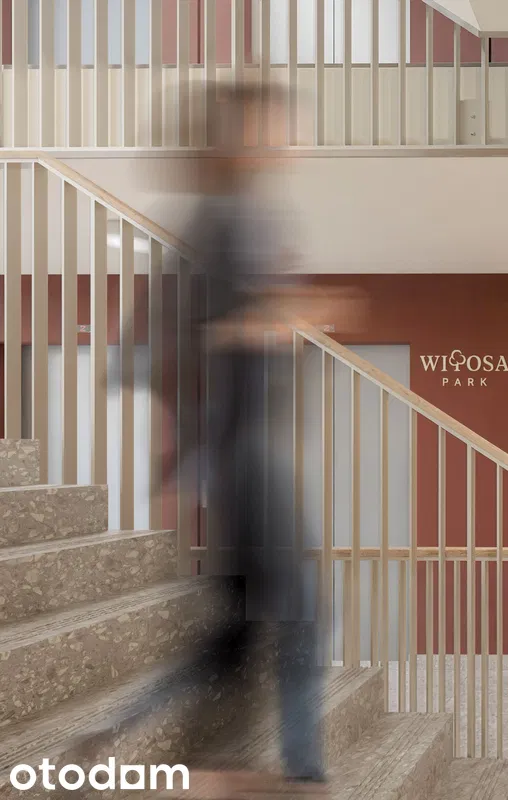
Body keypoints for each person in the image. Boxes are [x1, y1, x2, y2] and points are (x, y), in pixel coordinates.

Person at [101, 81, 364, 799]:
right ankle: (304, 774)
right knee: (304, 611)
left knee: (235, 633)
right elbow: (204, 334)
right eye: (274, 123)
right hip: (247, 449)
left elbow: (189, 333)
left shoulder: (233, 213)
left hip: (233, 450)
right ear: (241, 133)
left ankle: (120, 732)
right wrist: (290, 314)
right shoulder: (230, 215)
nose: (288, 136)